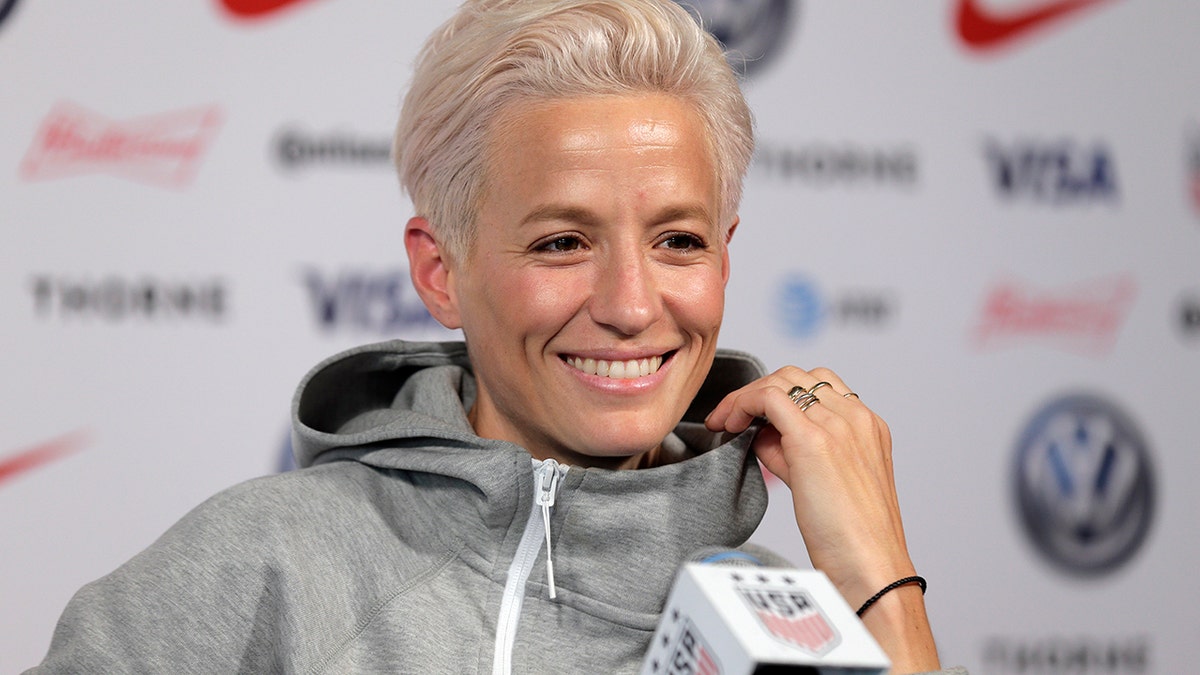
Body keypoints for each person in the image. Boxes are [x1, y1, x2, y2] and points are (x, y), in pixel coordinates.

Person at [30, 1, 964, 673]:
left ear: (724, 257)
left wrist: (878, 577)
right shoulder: (265, 565)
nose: (633, 306)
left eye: (677, 240)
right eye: (563, 242)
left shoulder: (786, 623)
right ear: (441, 272)